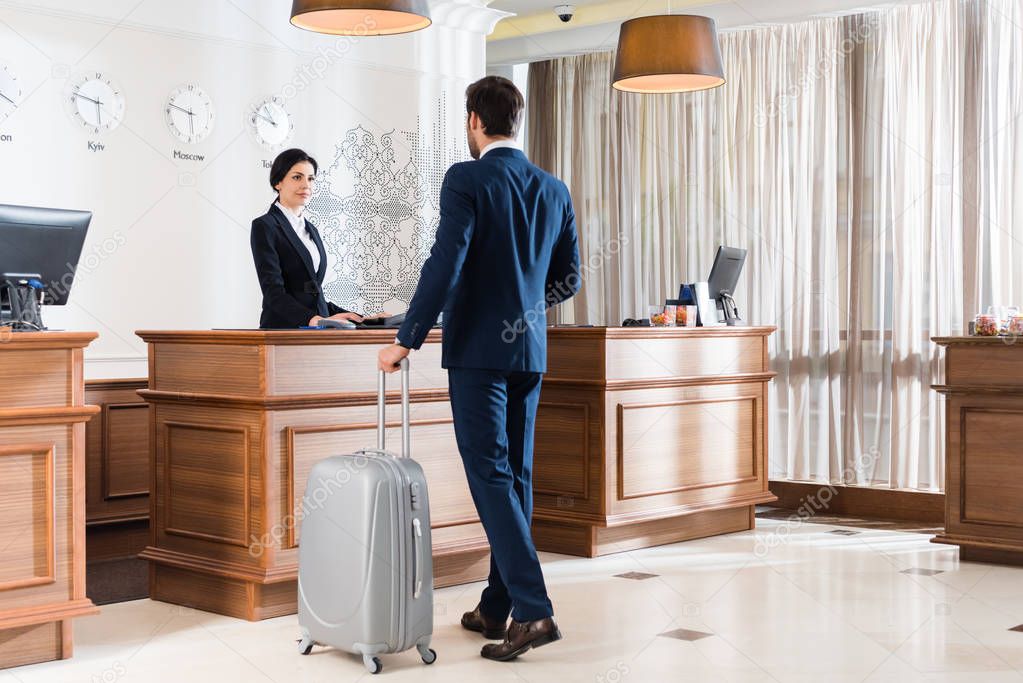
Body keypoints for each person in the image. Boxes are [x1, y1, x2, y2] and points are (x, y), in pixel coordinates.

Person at [377, 76, 580, 662]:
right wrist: (524, 307)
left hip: (478, 354)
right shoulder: (553, 187)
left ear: (473, 121)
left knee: (491, 474)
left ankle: (534, 609)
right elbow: (570, 278)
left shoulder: (465, 178)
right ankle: (496, 604)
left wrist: (405, 339)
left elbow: (447, 260)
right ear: (514, 121)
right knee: (515, 474)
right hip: (529, 351)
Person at [250, 148, 363, 329]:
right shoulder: (265, 226)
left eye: (310, 178)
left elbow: (310, 295)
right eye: (297, 177)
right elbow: (274, 293)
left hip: (314, 332)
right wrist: (312, 319)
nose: (306, 185)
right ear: (278, 182)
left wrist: (361, 318)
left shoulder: (311, 229)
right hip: (282, 331)